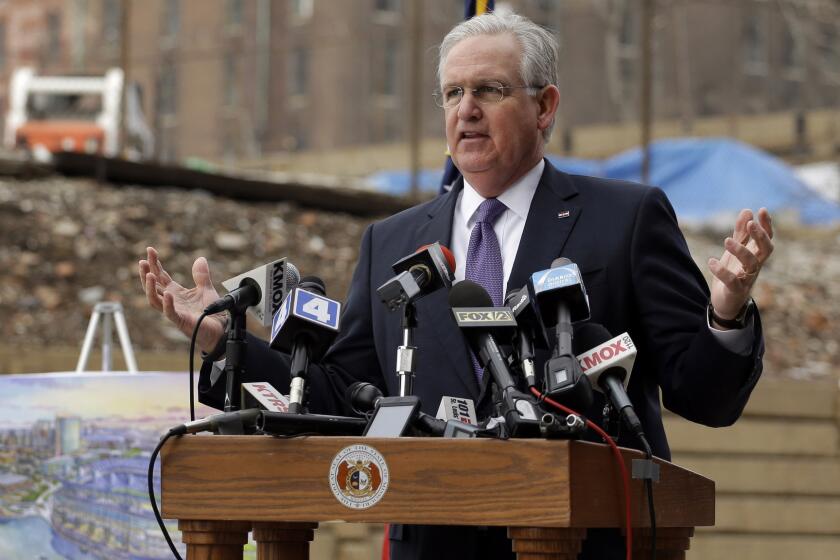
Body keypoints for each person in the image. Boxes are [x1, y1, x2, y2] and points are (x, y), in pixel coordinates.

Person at [139, 12, 773, 560]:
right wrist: (226, 341)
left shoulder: (625, 219)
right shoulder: (392, 241)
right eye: (452, 94)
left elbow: (704, 395)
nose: (465, 110)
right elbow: (344, 391)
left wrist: (725, 311)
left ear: (545, 106)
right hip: (435, 538)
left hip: (590, 538)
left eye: (489, 90)